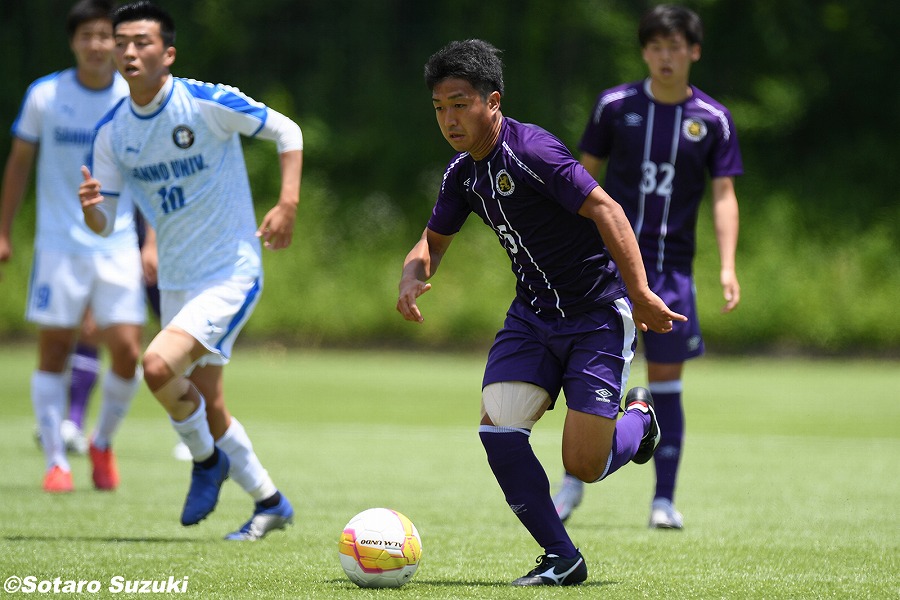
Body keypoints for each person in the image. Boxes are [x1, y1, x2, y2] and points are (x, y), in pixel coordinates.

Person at [397, 39, 686, 586]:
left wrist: (642, 293)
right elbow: (432, 242)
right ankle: (563, 557)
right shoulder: (463, 174)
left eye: (460, 104)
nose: (449, 119)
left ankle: (640, 419)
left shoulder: (534, 152)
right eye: (439, 108)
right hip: (532, 317)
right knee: (499, 427)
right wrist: (414, 272)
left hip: (597, 314)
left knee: (584, 465)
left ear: (493, 101)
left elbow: (607, 209)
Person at [78, 0, 303, 541]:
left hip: (230, 271)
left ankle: (205, 462)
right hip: (177, 279)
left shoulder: (204, 102)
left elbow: (288, 132)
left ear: (168, 53)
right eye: (122, 41)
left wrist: (287, 203)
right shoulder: (112, 133)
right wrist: (92, 210)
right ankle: (271, 502)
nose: (129, 50)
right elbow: (105, 224)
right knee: (210, 401)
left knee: (155, 367)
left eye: (142, 41)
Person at [552, 5, 743, 530]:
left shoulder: (714, 120)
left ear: (693, 51)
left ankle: (663, 500)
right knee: (595, 376)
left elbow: (724, 196)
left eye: (675, 46)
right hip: (606, 270)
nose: (666, 56)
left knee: (666, 385)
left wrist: (727, 265)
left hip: (672, 272)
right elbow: (579, 179)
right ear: (644, 51)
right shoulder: (614, 107)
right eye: (656, 46)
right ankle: (572, 484)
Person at [0, 0, 146, 493]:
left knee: (127, 351)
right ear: (73, 42)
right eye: (87, 35)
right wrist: (3, 230)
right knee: (54, 347)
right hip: (58, 243)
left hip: (117, 240)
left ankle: (102, 442)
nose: (97, 45)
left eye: (106, 35)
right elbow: (19, 164)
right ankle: (56, 462)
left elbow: (146, 174)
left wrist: (153, 242)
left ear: (119, 43)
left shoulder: (134, 96)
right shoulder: (45, 95)